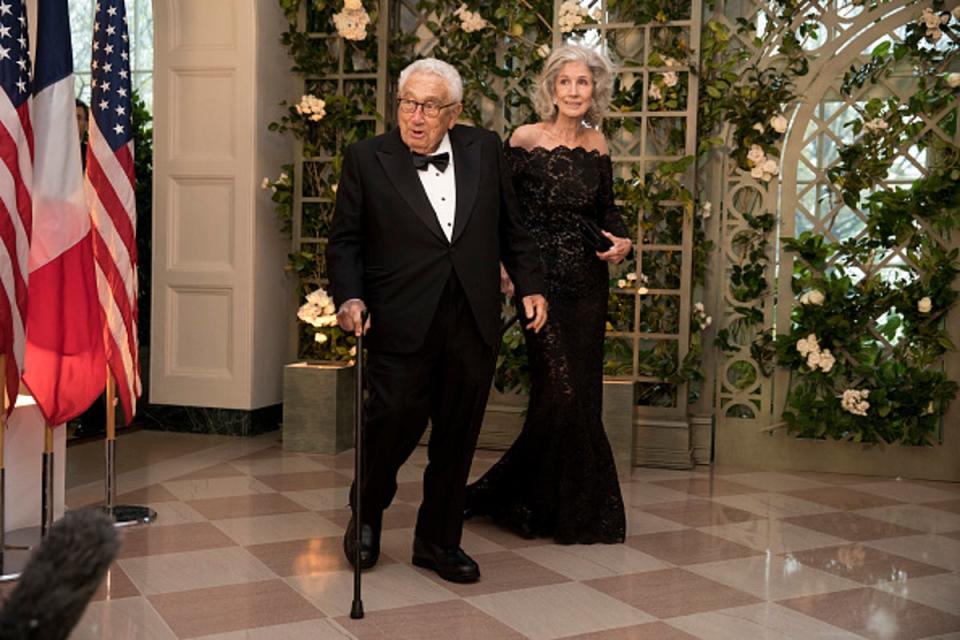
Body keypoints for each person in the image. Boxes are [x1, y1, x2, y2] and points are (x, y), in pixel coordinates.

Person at [326, 58, 548, 583]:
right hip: (399, 318)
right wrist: (349, 298)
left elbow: (511, 228)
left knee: (457, 436)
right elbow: (346, 241)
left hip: (471, 317)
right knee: (390, 428)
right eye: (407, 103)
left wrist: (531, 283)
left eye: (429, 107)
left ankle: (439, 541)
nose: (416, 117)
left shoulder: (485, 150)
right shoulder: (365, 158)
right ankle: (367, 515)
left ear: (453, 113)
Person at [464, 45, 631, 544]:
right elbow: (502, 210)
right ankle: (520, 495)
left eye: (584, 83)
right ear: (552, 88)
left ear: (594, 90)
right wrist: (504, 265)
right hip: (539, 280)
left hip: (587, 280)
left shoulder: (598, 144)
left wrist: (622, 240)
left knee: (578, 393)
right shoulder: (525, 138)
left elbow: (607, 210)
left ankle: (551, 504)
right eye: (566, 83)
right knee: (560, 389)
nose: (575, 91)